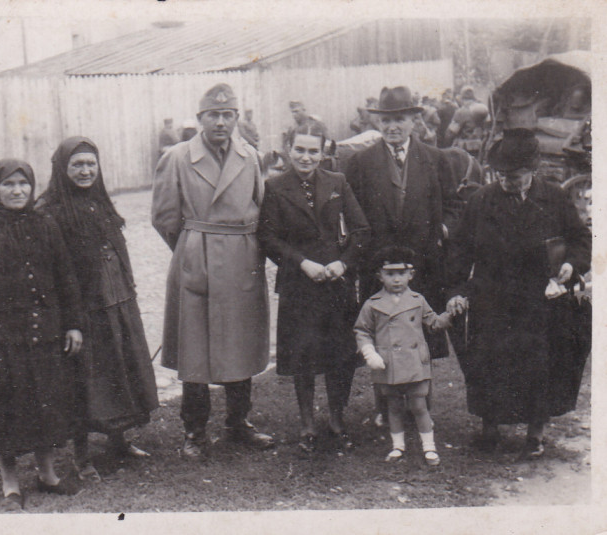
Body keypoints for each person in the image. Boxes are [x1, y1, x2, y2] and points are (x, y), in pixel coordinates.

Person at [446, 128, 591, 459]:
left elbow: (581, 239)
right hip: (491, 298)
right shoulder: (480, 201)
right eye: (503, 175)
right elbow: (459, 249)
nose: (508, 181)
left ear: (534, 170)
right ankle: (490, 430)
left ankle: (535, 434)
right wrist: (455, 288)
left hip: (541, 300)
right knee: (489, 363)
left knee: (540, 366)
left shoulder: (554, 198)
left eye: (517, 175)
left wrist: (571, 265)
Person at [152, 83, 274, 459]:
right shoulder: (176, 157)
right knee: (196, 351)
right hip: (197, 258)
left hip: (241, 262)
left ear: (237, 118)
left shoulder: (250, 156)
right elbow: (164, 217)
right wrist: (192, 247)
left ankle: (239, 423)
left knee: (241, 343)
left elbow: (261, 204)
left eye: (228, 115)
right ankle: (195, 431)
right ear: (200, 118)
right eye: (213, 115)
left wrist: (240, 249)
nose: (221, 122)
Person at [0, 159, 84, 510]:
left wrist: (73, 323)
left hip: (45, 335)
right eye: (9, 185)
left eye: (23, 184)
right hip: (1, 339)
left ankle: (47, 474)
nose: (17, 191)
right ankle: (10, 482)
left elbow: (66, 279)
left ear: (32, 187)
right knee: (5, 412)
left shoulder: (46, 224)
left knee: (47, 407)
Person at [37, 137, 159, 480]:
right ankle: (82, 455)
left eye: (91, 164)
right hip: (82, 310)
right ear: (62, 168)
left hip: (116, 300)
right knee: (85, 380)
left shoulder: (99, 201)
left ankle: (118, 441)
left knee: (120, 370)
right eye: (77, 165)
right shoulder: (49, 211)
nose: (85, 171)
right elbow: (52, 273)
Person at [258, 123, 370, 453]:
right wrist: (302, 263)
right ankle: (307, 423)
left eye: (313, 151)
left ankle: (337, 419)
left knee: (341, 354)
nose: (306, 157)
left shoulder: (337, 182)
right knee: (303, 354)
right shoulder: (275, 187)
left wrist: (344, 263)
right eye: (300, 150)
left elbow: (361, 229)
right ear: (288, 150)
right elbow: (267, 237)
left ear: (323, 152)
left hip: (336, 282)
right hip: (299, 282)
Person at [345, 86, 456, 354]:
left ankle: (422, 395)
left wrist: (443, 228)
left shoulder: (435, 158)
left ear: (413, 121)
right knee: (385, 337)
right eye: (386, 120)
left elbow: (455, 204)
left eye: (399, 120)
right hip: (379, 264)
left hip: (423, 261)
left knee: (423, 339)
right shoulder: (360, 162)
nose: (392, 127)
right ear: (377, 122)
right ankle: (387, 394)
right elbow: (351, 213)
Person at [354, 246, 452, 465]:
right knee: (394, 407)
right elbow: (362, 331)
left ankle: (429, 448)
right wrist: (369, 352)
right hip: (388, 365)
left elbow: (434, 322)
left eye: (401, 273)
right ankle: (398, 446)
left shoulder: (418, 300)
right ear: (379, 276)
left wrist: (449, 315)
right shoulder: (372, 304)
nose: (396, 279)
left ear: (411, 275)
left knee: (419, 406)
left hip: (415, 363)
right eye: (390, 274)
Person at [444, 85, 489, 155]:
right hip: (480, 147)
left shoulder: (461, 112)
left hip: (464, 150)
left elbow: (450, 133)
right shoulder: (483, 109)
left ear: (462, 98)